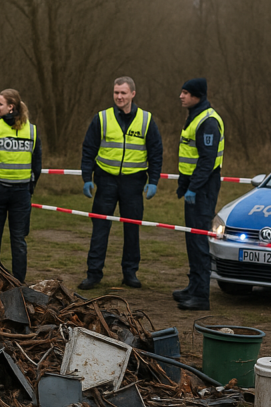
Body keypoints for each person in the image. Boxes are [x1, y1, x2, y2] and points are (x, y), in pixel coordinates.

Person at [78, 76, 163, 290]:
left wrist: (153, 181)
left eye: (123, 93)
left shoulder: (146, 120)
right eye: (116, 92)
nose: (119, 97)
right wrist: (87, 178)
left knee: (132, 230)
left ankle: (130, 273)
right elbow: (88, 149)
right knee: (100, 228)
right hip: (105, 180)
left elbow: (156, 152)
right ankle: (94, 274)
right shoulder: (102, 118)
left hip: (133, 183)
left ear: (133, 94)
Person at [0, 88, 42, 284]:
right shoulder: (32, 130)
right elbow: (37, 166)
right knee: (19, 241)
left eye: (0, 104)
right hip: (21, 194)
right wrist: (30, 186)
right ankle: (19, 283)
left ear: (11, 107)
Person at [173, 78, 225, 311]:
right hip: (194, 186)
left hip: (203, 188)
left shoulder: (208, 121)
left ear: (197, 95)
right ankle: (193, 287)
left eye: (186, 93)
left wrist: (194, 187)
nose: (181, 96)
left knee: (199, 240)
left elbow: (207, 160)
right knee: (191, 239)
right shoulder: (194, 116)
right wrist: (184, 185)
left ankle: (201, 296)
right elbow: (188, 155)